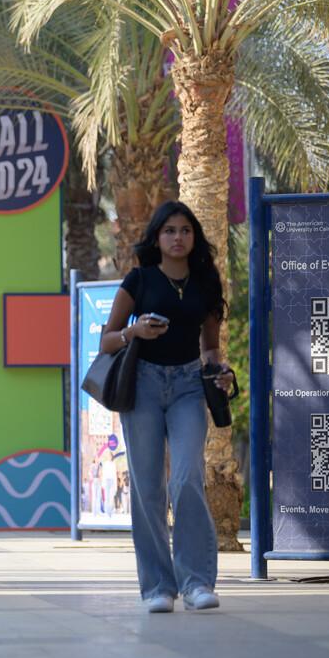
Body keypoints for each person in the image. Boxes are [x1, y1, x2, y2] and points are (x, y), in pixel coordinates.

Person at [101, 201, 233, 614]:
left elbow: (209, 347)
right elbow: (107, 340)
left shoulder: (207, 283)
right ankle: (158, 586)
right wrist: (133, 331)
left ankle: (196, 582)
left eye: (186, 231)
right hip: (142, 386)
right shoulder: (138, 280)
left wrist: (221, 369)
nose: (179, 238)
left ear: (194, 238)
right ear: (157, 237)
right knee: (148, 488)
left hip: (187, 387)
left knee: (188, 479)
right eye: (170, 231)